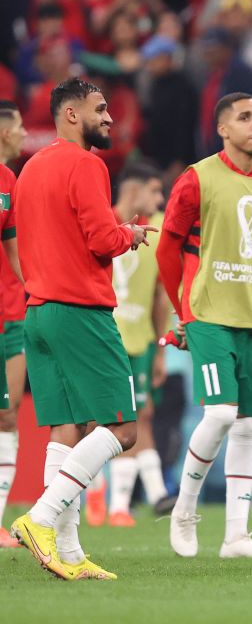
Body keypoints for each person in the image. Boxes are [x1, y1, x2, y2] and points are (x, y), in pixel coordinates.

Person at [9, 77, 155, 581]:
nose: (110, 118)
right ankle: (42, 518)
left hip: (40, 312)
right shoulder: (87, 164)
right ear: (71, 115)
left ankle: (67, 553)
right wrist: (130, 234)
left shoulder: (28, 171)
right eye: (100, 108)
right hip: (80, 311)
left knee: (66, 429)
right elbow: (100, 237)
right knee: (122, 428)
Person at [159, 92, 252, 559]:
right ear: (222, 129)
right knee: (218, 413)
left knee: (248, 425)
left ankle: (236, 536)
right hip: (208, 313)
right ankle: (184, 509)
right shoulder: (197, 178)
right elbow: (167, 249)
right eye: (245, 117)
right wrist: (181, 312)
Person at [105, 160, 173, 525]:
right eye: (154, 191)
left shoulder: (158, 231)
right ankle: (108, 499)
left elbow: (160, 295)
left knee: (140, 415)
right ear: (133, 191)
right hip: (106, 335)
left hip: (142, 339)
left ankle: (126, 503)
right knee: (106, 419)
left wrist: (160, 348)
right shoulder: (102, 220)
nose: (160, 200)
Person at [0, 100, 25, 549]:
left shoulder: (9, 181)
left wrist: (33, 290)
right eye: (19, 125)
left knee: (7, 414)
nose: (24, 132)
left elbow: (16, 249)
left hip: (11, 313)